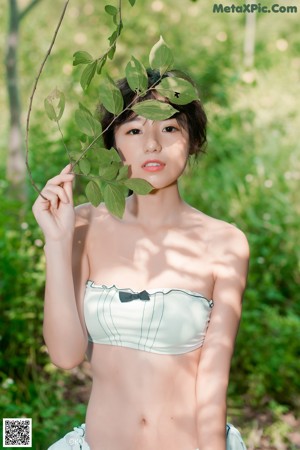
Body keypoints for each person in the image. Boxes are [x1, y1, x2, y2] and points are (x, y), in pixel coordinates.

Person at [32, 68, 249, 450]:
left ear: (192, 140)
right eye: (133, 130)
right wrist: (57, 239)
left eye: (169, 128)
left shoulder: (225, 242)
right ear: (113, 145)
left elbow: (213, 385)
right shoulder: (82, 223)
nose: (151, 144)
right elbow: (66, 356)